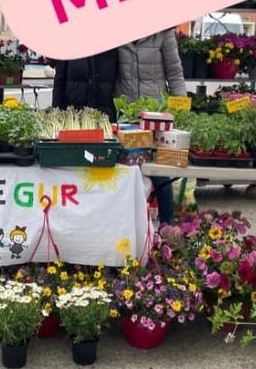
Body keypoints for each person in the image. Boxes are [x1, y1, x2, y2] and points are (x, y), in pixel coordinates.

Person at [115, 30, 188, 225]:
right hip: (127, 114)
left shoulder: (163, 32)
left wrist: (179, 110)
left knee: (159, 172)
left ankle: (166, 223)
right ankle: (127, 225)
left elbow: (174, 73)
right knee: (126, 169)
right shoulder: (115, 30)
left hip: (157, 114)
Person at [51, 49, 120, 120]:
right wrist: (57, 115)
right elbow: (59, 83)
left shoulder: (114, 48)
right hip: (74, 117)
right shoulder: (68, 46)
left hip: (105, 117)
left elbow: (122, 82)